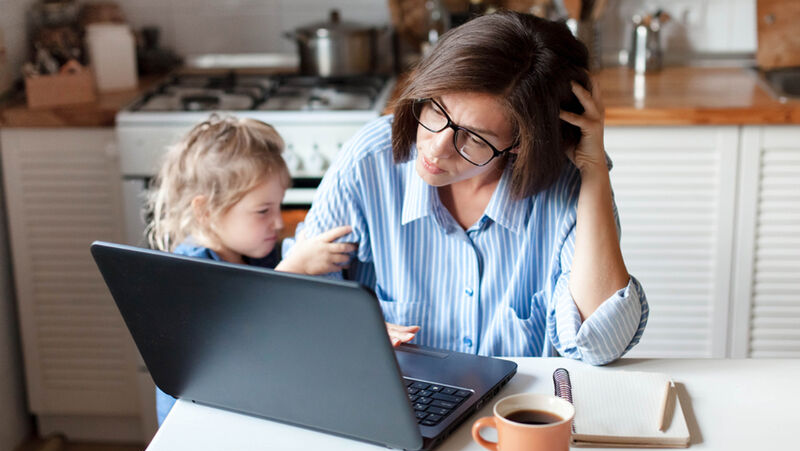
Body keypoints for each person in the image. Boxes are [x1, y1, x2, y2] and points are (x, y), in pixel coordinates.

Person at [287, 11, 649, 365]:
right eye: (435, 109)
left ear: (520, 144)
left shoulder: (568, 187)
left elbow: (600, 345)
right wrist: (354, 331)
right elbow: (297, 302)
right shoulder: (370, 162)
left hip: (512, 416)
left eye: (473, 137)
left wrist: (595, 170)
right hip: (392, 408)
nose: (436, 147)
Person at [146, 114, 355, 425]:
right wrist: (294, 269)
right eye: (262, 211)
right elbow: (241, 342)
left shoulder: (255, 253)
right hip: (198, 431)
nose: (278, 222)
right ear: (206, 211)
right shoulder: (190, 274)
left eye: (279, 206)